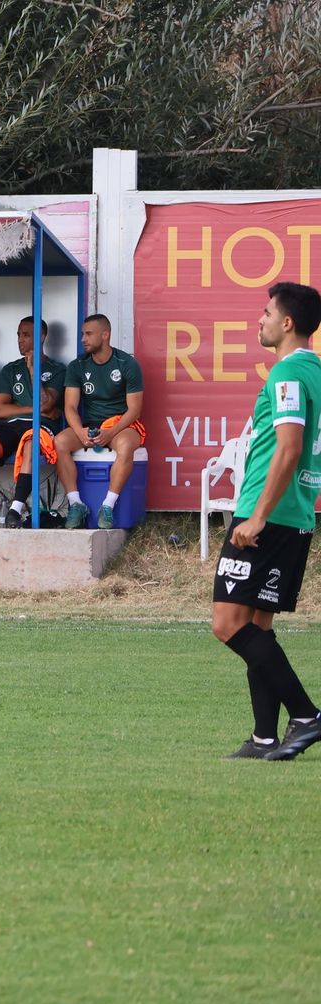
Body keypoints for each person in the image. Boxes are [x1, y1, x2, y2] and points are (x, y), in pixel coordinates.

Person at [210, 282, 321, 760]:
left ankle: (307, 715)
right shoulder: (314, 371)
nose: (260, 320)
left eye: (266, 312)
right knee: (258, 624)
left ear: (288, 323)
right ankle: (263, 737)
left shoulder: (288, 374)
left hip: (269, 515)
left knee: (227, 623)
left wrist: (256, 517)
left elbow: (290, 447)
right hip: (294, 515)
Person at [0, 317, 67, 528]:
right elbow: (0, 409)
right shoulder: (10, 370)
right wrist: (36, 408)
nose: (20, 340)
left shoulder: (57, 369)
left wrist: (33, 372)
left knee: (30, 445)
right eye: (19, 335)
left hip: (41, 426)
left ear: (42, 337)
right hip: (13, 425)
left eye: (26, 335)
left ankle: (15, 509)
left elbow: (47, 404)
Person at [54, 313, 145, 529]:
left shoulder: (127, 364)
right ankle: (76, 504)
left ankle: (108, 505)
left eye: (88, 334)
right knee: (60, 442)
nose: (83, 339)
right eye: (82, 334)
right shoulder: (77, 365)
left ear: (105, 335)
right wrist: (80, 431)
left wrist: (110, 433)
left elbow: (134, 411)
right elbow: (70, 407)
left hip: (120, 425)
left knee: (126, 445)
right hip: (90, 425)